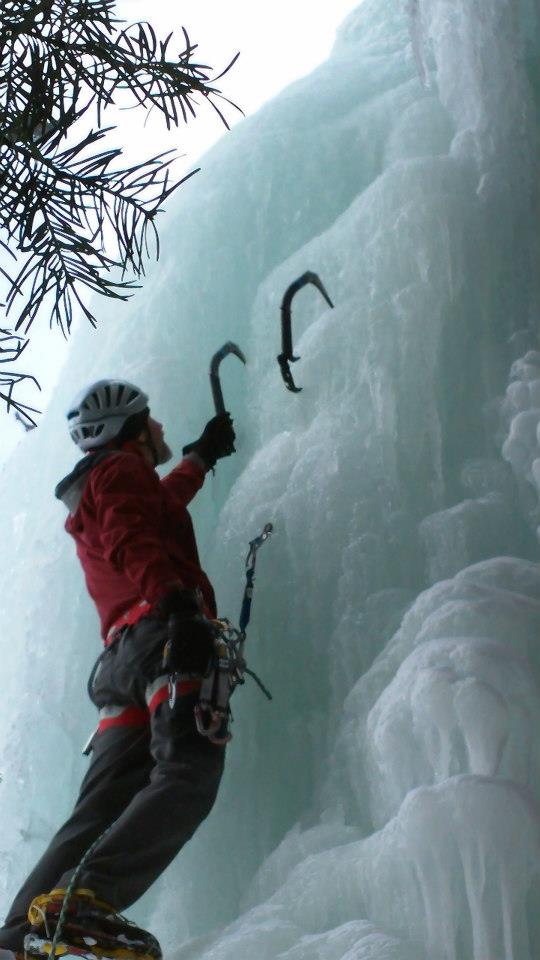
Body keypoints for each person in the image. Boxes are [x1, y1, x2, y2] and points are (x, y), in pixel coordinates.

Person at [0, 379, 236, 960]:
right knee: (188, 774)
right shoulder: (121, 473)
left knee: (98, 810)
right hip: (163, 635)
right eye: (149, 419)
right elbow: (135, 534)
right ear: (129, 433)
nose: (158, 427)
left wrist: (199, 459)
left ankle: (14, 940)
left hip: (121, 662)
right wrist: (178, 604)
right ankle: (82, 903)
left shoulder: (103, 485)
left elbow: (151, 512)